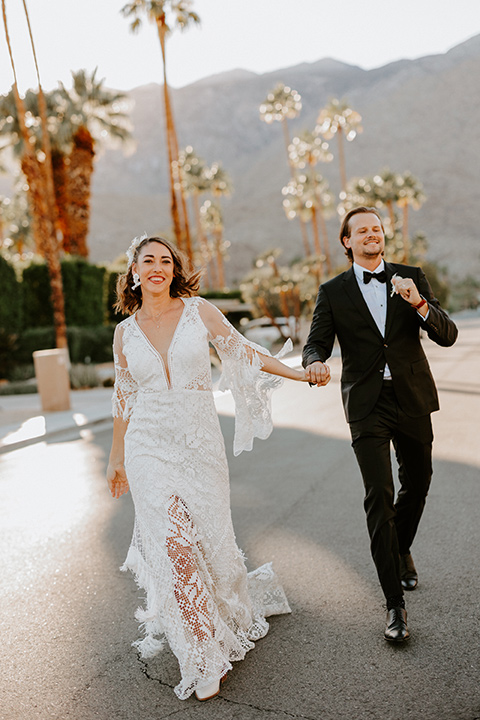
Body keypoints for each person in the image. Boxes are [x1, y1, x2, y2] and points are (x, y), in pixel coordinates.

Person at [106, 234, 328, 701]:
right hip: (148, 446)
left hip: (198, 444)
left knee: (211, 544)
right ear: (134, 271)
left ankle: (229, 609)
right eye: (148, 260)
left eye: (166, 261)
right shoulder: (124, 333)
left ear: (174, 270)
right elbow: (124, 398)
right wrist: (117, 458)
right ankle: (202, 654)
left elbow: (246, 354)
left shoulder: (198, 311)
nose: (158, 267)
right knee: (174, 546)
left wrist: (300, 371)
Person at [302, 206, 457, 642]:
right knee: (379, 495)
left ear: (383, 236)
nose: (372, 234)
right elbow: (316, 342)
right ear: (347, 241)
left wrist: (419, 303)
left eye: (377, 228)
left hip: (411, 396)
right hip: (367, 403)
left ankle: (400, 547)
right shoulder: (333, 291)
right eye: (361, 230)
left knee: (419, 481)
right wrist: (314, 361)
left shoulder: (412, 276)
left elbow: (447, 334)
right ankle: (394, 606)